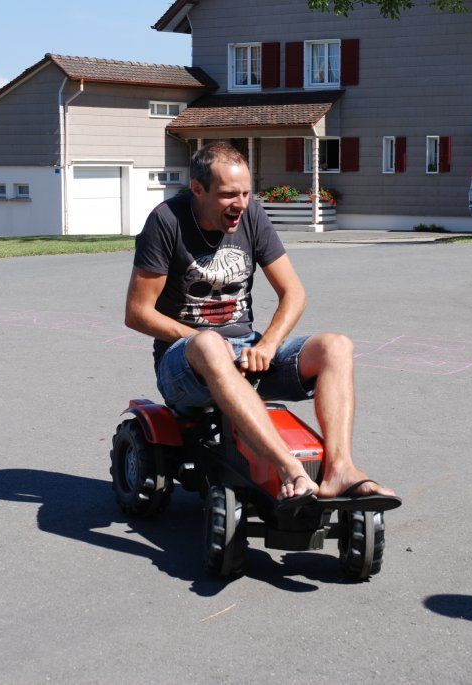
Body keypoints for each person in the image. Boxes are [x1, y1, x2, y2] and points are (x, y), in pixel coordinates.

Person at [125, 141, 398, 508]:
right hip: (183, 364)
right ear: (197, 189)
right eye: (227, 195)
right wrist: (202, 339)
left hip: (246, 352)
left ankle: (339, 471)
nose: (240, 204)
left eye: (245, 192)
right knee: (208, 344)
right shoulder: (166, 221)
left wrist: (267, 345)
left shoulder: (252, 215)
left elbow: (294, 294)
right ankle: (291, 471)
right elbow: (138, 312)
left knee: (336, 346)